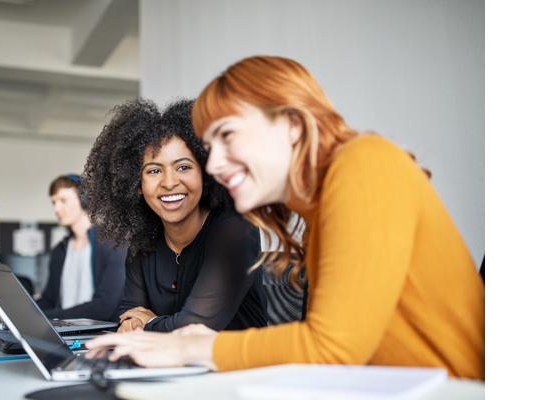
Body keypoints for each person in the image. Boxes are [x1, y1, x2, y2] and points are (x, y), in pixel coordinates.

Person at [85, 56, 485, 380]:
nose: (216, 165)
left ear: (292, 124)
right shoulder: (323, 206)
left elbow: (331, 348)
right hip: (382, 399)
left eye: (227, 136)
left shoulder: (365, 163)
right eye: (210, 147)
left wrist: (188, 345)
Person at [82, 98, 268, 333]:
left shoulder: (236, 229)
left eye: (183, 167)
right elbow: (129, 319)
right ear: (136, 184)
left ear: (206, 174)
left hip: (238, 367)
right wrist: (141, 325)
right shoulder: (143, 241)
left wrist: (148, 323)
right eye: (154, 171)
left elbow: (195, 328)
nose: (169, 183)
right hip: (170, 366)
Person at [35, 175, 127, 322]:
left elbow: (104, 307)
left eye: (63, 201)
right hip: (63, 333)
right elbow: (48, 301)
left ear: (85, 200)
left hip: (98, 335)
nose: (56, 208)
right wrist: (19, 314)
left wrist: (44, 318)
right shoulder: (60, 250)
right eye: (54, 202)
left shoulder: (113, 246)